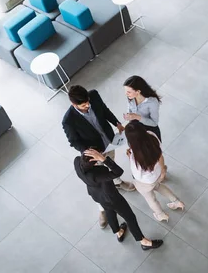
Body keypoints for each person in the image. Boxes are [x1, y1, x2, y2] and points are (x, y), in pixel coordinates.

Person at [62, 85, 135, 229]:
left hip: (109, 141)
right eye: (83, 105)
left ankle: (118, 182)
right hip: (94, 153)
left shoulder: (94, 95)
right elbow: (74, 142)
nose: (87, 105)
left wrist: (117, 123)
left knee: (112, 163)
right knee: (99, 184)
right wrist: (90, 152)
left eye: (88, 102)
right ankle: (102, 210)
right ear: (73, 104)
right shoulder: (68, 120)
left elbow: (105, 111)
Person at [75, 148, 164, 250]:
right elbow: (118, 172)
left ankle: (118, 232)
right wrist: (104, 159)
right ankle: (143, 241)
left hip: (97, 195)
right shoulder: (100, 173)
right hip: (111, 197)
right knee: (130, 217)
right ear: (95, 163)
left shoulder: (77, 161)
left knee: (109, 211)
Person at [124, 121, 184, 222]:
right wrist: (163, 170)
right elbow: (160, 153)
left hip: (145, 181)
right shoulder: (152, 136)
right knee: (159, 186)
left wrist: (130, 157)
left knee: (151, 199)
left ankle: (161, 215)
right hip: (157, 172)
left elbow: (137, 174)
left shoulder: (136, 157)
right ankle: (177, 201)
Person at [123, 75, 162, 141]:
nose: (126, 94)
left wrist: (137, 117)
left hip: (150, 131)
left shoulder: (152, 102)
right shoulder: (131, 98)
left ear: (138, 91)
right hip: (137, 131)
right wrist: (129, 116)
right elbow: (130, 110)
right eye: (125, 91)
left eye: (128, 92)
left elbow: (154, 123)